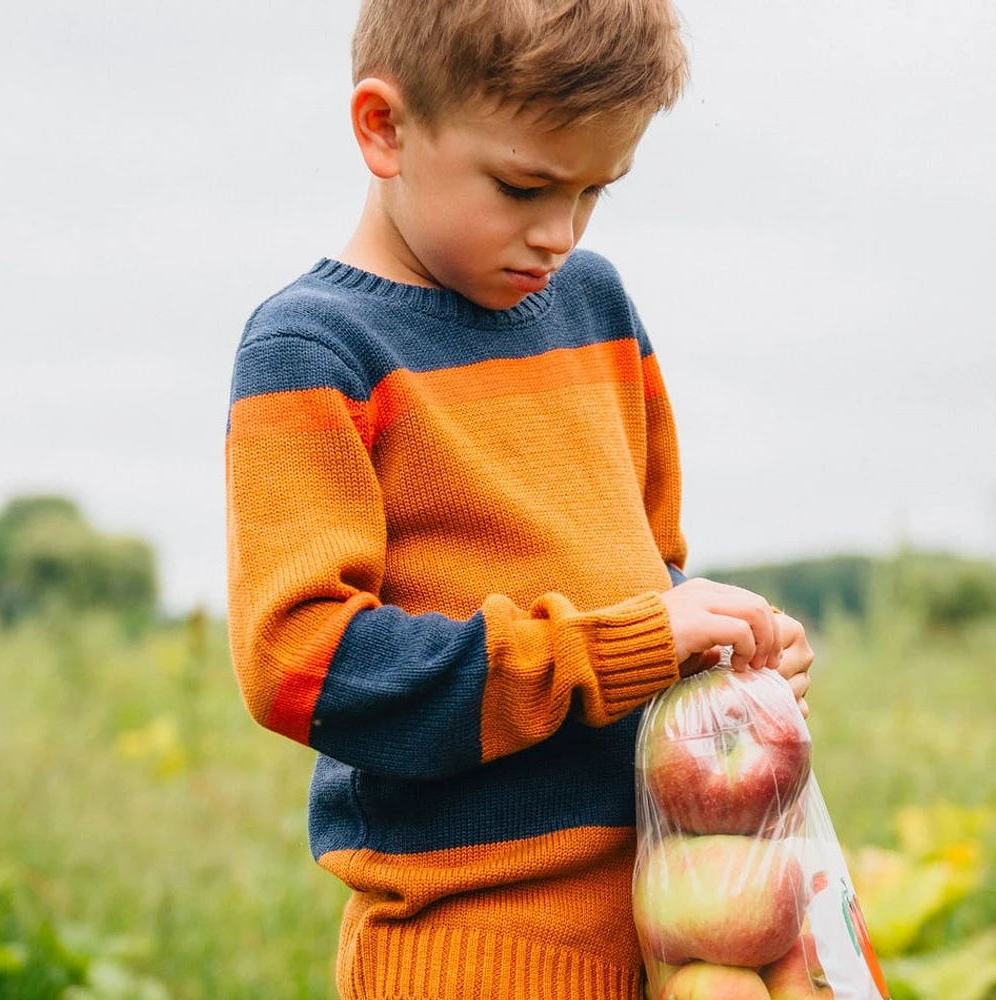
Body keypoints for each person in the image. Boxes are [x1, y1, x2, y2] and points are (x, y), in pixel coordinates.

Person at [225, 1, 814, 998]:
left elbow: (643, 576)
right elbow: (302, 662)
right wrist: (616, 646)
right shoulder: (314, 351)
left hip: (681, 925)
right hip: (471, 948)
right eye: (522, 186)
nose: (558, 233)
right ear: (383, 128)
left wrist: (717, 655)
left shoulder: (597, 309)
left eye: (595, 190)